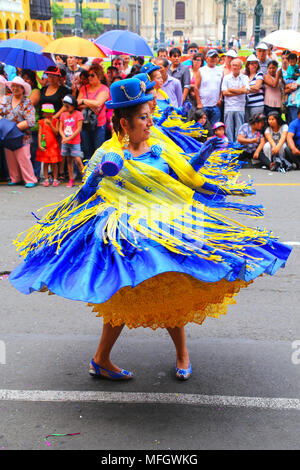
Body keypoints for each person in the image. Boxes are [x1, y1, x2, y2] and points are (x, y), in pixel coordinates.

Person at [9, 77, 292, 383]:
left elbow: (182, 177)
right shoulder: (108, 153)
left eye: (149, 115)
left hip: (168, 228)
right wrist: (96, 179)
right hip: (127, 235)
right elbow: (81, 197)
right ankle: (101, 359)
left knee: (170, 287)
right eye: (143, 117)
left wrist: (199, 159)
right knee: (122, 294)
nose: (150, 122)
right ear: (124, 124)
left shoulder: (159, 148)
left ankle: (181, 354)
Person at [0, 76, 37, 187]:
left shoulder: (27, 102)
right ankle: (15, 178)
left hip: (22, 135)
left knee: (24, 158)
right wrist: (7, 127)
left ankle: (30, 179)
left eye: (18, 87)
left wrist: (13, 128)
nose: (15, 88)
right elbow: (2, 113)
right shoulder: (6, 99)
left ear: (23, 89)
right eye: (13, 86)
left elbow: (30, 121)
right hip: (7, 134)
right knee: (10, 158)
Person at [77, 64, 110, 161]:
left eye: (92, 75)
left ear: (99, 77)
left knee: (98, 150)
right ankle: (87, 172)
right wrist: (92, 103)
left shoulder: (104, 89)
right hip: (85, 122)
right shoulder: (84, 88)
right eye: (89, 75)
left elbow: (99, 104)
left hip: (99, 124)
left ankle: (98, 172)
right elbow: (77, 104)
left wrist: (84, 101)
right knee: (87, 150)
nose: (89, 77)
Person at [59, 95, 84, 188]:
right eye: (64, 106)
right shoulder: (63, 115)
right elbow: (60, 128)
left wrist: (69, 138)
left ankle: (85, 178)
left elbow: (79, 128)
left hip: (75, 141)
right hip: (66, 141)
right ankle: (71, 179)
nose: (65, 108)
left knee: (78, 160)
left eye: (67, 106)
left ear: (73, 105)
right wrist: (63, 137)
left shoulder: (78, 114)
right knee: (69, 161)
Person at [222, 58, 250, 142]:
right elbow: (224, 92)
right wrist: (239, 91)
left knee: (239, 129)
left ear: (240, 67)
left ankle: (238, 149)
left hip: (240, 107)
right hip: (229, 107)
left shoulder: (244, 78)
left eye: (236, 65)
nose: (234, 67)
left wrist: (231, 90)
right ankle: (230, 150)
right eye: (233, 65)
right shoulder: (226, 78)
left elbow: (246, 90)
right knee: (228, 130)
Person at [21, 69, 41, 180]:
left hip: (33, 127)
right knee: (25, 153)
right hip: (22, 127)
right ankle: (27, 175)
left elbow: (30, 104)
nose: (25, 80)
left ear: (32, 80)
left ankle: (36, 173)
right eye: (23, 78)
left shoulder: (35, 91)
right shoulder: (21, 92)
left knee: (34, 152)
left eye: (27, 78)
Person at [36, 103, 61, 186]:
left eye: (49, 112)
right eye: (45, 112)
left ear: (52, 113)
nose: (47, 114)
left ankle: (55, 179)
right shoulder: (41, 122)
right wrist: (39, 144)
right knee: (45, 163)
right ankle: (46, 179)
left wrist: (50, 124)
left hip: (53, 145)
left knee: (54, 163)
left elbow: (56, 133)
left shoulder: (55, 121)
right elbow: (39, 134)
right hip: (45, 145)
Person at [197, 49, 223, 126]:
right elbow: (196, 87)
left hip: (215, 105)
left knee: (215, 126)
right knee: (203, 126)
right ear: (207, 58)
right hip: (204, 104)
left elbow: (222, 86)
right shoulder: (201, 70)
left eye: (215, 57)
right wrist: (199, 102)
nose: (213, 59)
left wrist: (220, 98)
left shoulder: (220, 70)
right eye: (211, 57)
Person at [244, 54, 264, 122]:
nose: (254, 65)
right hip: (247, 104)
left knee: (256, 123)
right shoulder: (245, 76)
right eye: (252, 63)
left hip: (257, 104)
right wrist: (250, 88)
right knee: (248, 123)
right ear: (248, 65)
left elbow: (257, 87)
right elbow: (241, 88)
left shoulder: (259, 74)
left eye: (256, 63)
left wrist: (246, 88)